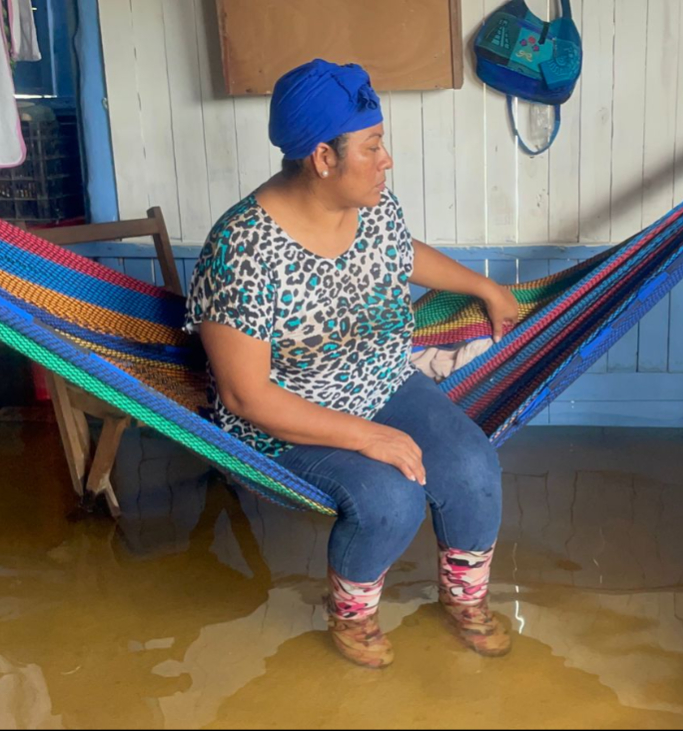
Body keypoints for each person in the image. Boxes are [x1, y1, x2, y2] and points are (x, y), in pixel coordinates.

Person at [184, 59, 521, 669]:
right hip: (283, 416)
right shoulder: (241, 250)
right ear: (321, 158)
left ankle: (465, 599)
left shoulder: (373, 209)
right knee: (390, 498)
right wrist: (370, 437)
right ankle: (353, 614)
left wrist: (483, 287)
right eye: (372, 146)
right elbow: (245, 397)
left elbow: (401, 253)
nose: (386, 158)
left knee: (473, 466)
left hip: (383, 382)